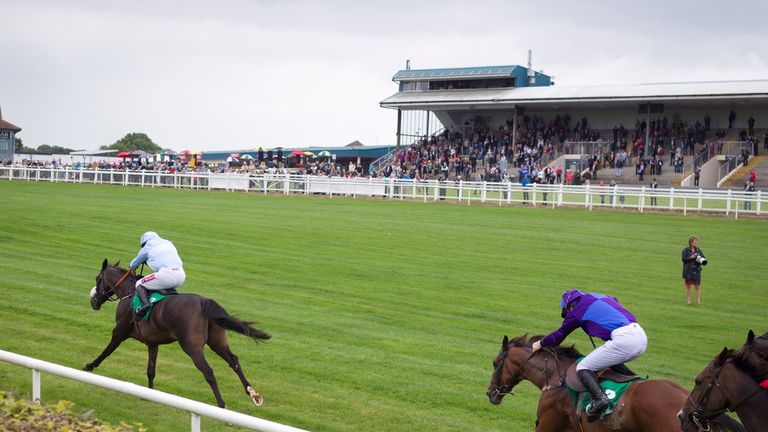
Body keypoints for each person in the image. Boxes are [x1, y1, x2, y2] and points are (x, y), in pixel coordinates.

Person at [532, 290, 647, 422]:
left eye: (567, 313)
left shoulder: (576, 310)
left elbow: (560, 334)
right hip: (640, 335)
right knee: (609, 360)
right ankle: (636, 382)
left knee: (583, 367)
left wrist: (540, 343)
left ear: (569, 306)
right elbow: (614, 299)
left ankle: (600, 399)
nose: (568, 315)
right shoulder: (597, 296)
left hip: (624, 340)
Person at [129, 231, 186, 317]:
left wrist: (132, 267)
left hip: (167, 274)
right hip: (181, 275)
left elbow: (134, 263)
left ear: (144, 243)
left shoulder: (148, 246)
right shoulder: (168, 242)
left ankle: (145, 305)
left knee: (139, 283)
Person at [682, 235, 706, 305]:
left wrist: (700, 259)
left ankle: (698, 301)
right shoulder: (685, 250)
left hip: (697, 271)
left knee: (697, 286)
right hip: (688, 271)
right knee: (688, 286)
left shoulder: (698, 250)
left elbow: (703, 258)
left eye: (696, 242)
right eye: (695, 242)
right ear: (691, 242)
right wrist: (691, 257)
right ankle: (688, 301)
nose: (696, 243)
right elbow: (683, 259)